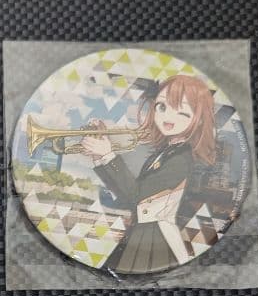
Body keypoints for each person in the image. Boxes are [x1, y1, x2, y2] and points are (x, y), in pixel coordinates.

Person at [78, 74, 218, 273]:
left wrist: (108, 155)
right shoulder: (166, 151)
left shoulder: (181, 159)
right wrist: (99, 157)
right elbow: (125, 195)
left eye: (182, 112)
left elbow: (136, 195)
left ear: (199, 118)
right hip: (143, 231)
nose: (168, 117)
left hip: (157, 236)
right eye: (162, 107)